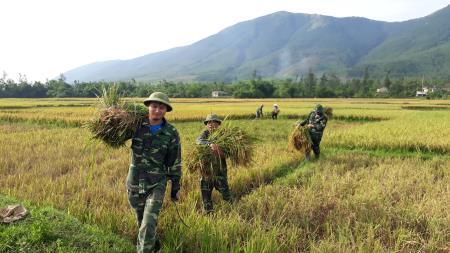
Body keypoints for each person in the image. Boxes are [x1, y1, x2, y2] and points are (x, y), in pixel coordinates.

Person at [126, 92, 182, 253]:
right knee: (141, 222)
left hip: (156, 183)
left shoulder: (171, 133)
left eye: (161, 107)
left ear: (166, 110)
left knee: (148, 223)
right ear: (149, 107)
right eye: (154, 106)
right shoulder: (135, 125)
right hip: (134, 182)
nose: (157, 110)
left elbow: (175, 161)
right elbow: (116, 135)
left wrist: (175, 188)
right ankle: (155, 248)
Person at [196, 114, 232, 213]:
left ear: (218, 124)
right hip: (206, 171)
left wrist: (220, 152)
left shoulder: (224, 136)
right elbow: (198, 141)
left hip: (220, 170)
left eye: (213, 122)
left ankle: (233, 209)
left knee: (226, 193)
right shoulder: (205, 134)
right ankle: (208, 212)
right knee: (206, 194)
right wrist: (210, 144)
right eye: (208, 122)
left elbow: (228, 153)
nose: (210, 124)